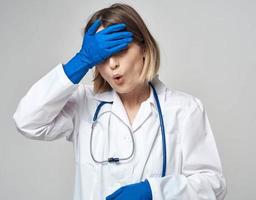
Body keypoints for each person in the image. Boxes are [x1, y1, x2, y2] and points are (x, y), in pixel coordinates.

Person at [12, 3, 227, 200]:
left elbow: (213, 185)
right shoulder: (84, 104)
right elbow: (27, 121)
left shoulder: (184, 109)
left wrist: (154, 192)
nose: (112, 64)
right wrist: (81, 60)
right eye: (102, 56)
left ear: (144, 48)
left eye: (121, 50)